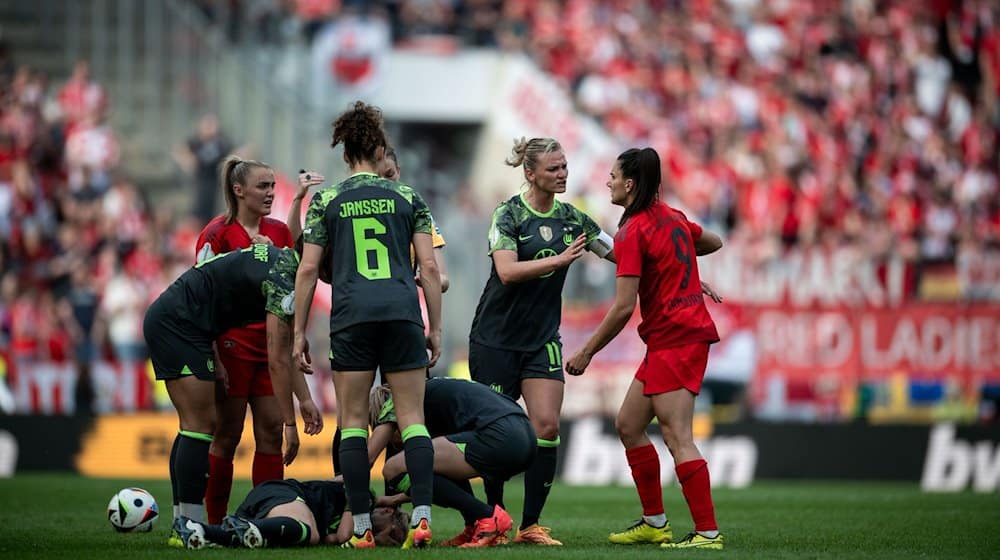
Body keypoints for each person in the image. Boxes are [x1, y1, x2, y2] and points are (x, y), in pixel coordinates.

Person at [293, 101, 442, 549]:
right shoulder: (409, 197)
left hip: (352, 318)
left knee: (354, 424)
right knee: (413, 421)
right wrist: (435, 328)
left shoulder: (326, 200)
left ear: (345, 154)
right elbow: (430, 269)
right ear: (379, 149)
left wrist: (298, 332)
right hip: (400, 313)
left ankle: (359, 528)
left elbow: (307, 269)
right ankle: (421, 519)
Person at [565, 147, 725, 550]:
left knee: (677, 435)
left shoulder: (634, 230)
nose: (608, 182)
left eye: (613, 176)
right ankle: (655, 522)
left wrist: (586, 352)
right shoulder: (672, 217)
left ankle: (707, 533)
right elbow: (714, 241)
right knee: (629, 425)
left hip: (678, 338)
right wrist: (680, 266)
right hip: (674, 338)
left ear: (630, 184)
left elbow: (622, 308)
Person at [468, 136, 615, 545]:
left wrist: (674, 266)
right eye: (554, 168)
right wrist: (560, 260)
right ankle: (493, 519)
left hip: (541, 340)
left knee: (547, 426)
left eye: (565, 166)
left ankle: (529, 525)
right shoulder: (508, 214)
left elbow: (618, 253)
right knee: (496, 432)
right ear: (530, 173)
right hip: (494, 339)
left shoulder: (575, 219)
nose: (563, 173)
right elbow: (507, 272)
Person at [143, 243, 324, 544]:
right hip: (180, 324)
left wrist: (304, 398)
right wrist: (290, 423)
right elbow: (277, 357)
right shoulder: (285, 276)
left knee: (195, 425)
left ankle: (183, 522)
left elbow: (284, 347)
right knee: (200, 426)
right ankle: (189, 524)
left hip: (187, 323)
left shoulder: (281, 260)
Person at [195, 155, 295, 525]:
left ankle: (266, 518)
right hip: (231, 344)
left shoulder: (281, 232)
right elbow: (200, 296)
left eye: (272, 186)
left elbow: (290, 291)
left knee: (271, 429)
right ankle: (216, 520)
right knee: (227, 435)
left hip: (271, 347)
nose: (270, 193)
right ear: (239, 191)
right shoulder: (216, 234)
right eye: (263, 186)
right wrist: (214, 355)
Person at [368, 377, 534, 548]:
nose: (396, 444)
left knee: (393, 468)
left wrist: (346, 484)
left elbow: (370, 458)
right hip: (525, 435)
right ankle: (474, 525)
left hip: (501, 435)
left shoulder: (401, 398)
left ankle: (489, 517)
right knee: (434, 462)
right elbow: (432, 480)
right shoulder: (429, 394)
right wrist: (395, 499)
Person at [171, 478, 410, 549]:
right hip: (283, 493)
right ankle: (241, 528)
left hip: (274, 506)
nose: (388, 538)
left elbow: (332, 539)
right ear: (388, 512)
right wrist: (359, 502)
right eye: (393, 533)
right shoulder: (362, 496)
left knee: (304, 536)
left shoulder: (362, 507)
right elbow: (342, 537)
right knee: (311, 534)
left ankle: (197, 530)